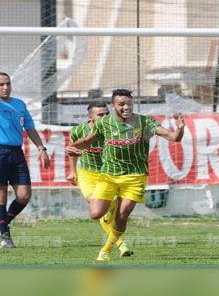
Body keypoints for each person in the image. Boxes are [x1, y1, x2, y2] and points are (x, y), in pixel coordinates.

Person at [66, 89, 185, 261]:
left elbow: (174, 138)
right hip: (109, 176)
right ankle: (110, 211)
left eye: (129, 103)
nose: (126, 107)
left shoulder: (144, 123)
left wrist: (179, 129)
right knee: (95, 214)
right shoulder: (104, 123)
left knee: (122, 216)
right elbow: (88, 140)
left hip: (135, 176)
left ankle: (106, 250)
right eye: (121, 104)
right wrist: (75, 146)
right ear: (114, 105)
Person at [0, 42, 50, 248]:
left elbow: (30, 128)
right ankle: (5, 236)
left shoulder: (20, 104)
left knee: (24, 195)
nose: (5, 87)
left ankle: (2, 223)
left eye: (8, 83)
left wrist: (41, 148)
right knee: (0, 194)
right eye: (1, 84)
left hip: (16, 153)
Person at [67, 102, 132, 257]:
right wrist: (72, 171)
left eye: (106, 114)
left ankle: (120, 244)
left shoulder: (113, 130)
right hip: (87, 174)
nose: (104, 117)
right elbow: (72, 150)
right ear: (91, 117)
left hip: (107, 174)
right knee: (98, 205)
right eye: (100, 115)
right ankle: (122, 244)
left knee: (104, 211)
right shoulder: (78, 131)